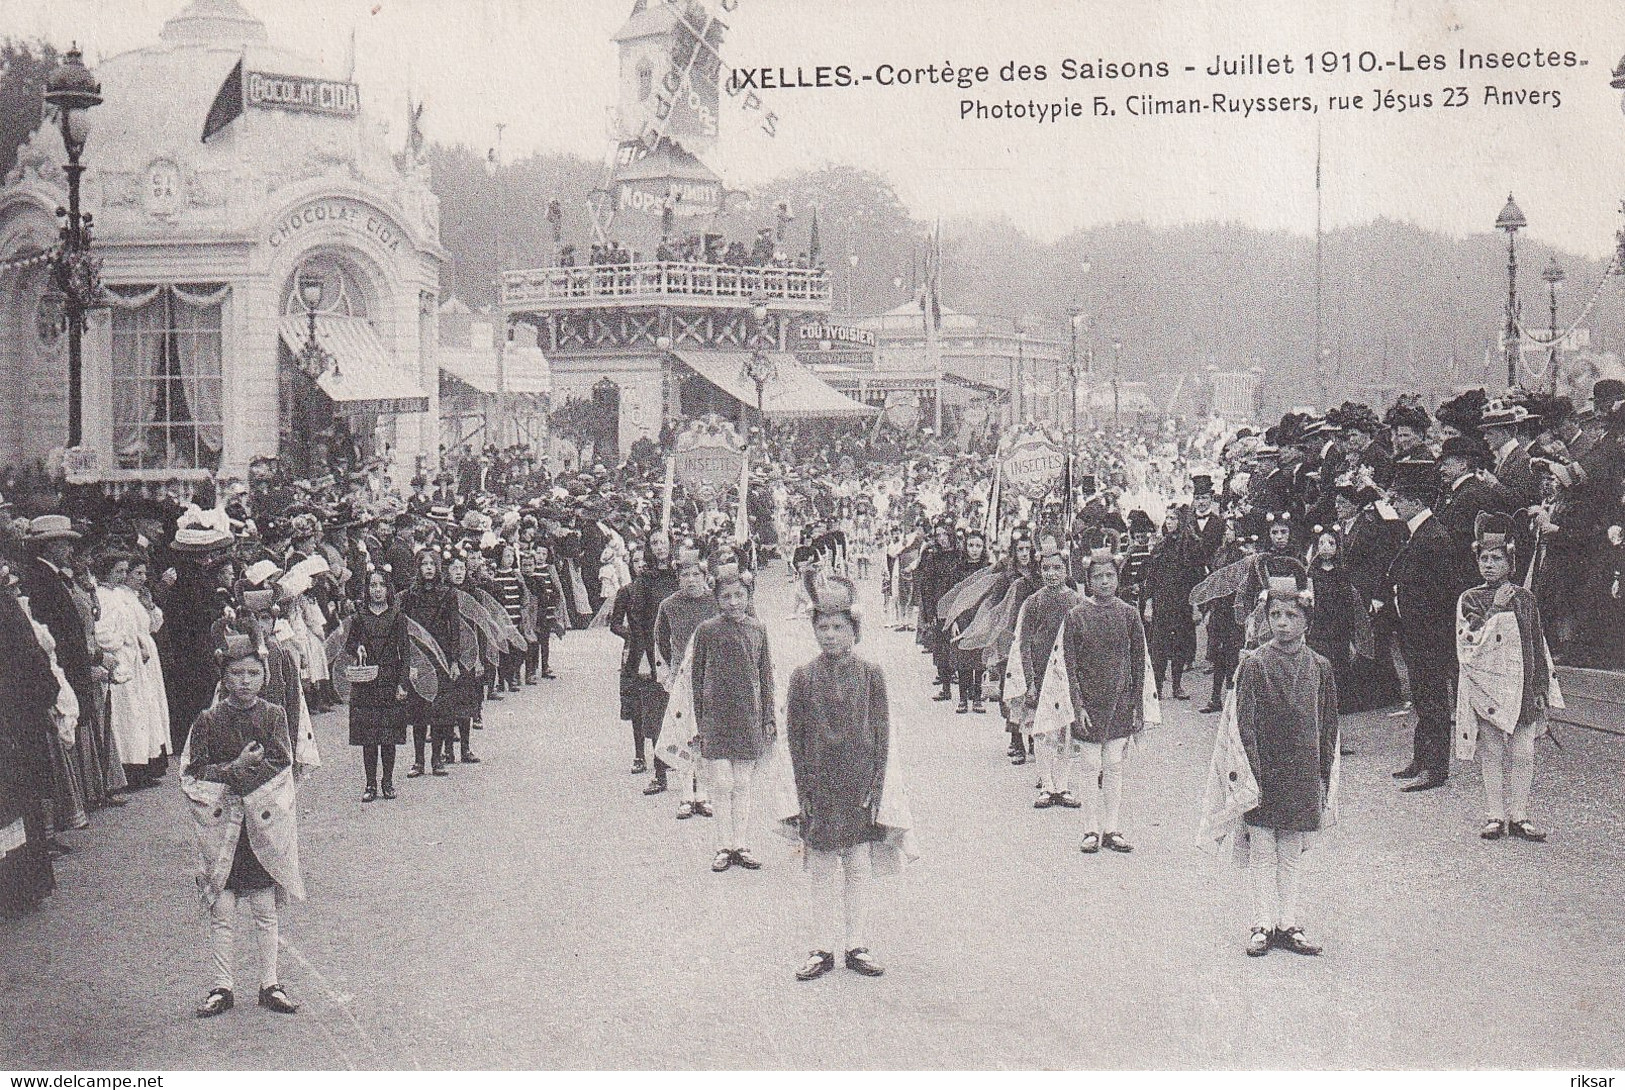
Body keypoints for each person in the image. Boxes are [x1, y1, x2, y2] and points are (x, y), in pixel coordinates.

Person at [181, 637, 303, 1018]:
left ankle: (270, 982)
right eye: (236, 673)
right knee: (223, 906)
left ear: (264, 676)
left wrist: (248, 779)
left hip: (260, 826)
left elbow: (284, 763)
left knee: (265, 906)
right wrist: (233, 769)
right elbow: (194, 771)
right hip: (222, 827)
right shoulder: (208, 720)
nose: (245, 681)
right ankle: (223, 985)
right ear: (224, 677)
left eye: (253, 673)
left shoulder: (273, 715)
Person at [785, 578, 891, 981]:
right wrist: (802, 791)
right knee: (824, 865)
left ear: (854, 631)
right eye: (823, 627)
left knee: (859, 861)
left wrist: (877, 785)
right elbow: (795, 736)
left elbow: (882, 732)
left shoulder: (871, 674)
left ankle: (856, 944)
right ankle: (822, 947)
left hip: (859, 781)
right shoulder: (803, 676)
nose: (830, 635)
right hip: (820, 784)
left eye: (838, 627)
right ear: (813, 630)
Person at [1235, 570, 1339, 958]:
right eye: (1275, 615)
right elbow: (1243, 725)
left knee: (1291, 851)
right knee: (1263, 849)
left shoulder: (1321, 667)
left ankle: (1287, 922)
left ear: (1307, 621)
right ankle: (1262, 921)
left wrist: (1323, 775)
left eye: (1291, 616)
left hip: (1302, 771)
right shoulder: (1255, 665)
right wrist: (1250, 774)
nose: (1282, 623)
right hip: (1265, 770)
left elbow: (1328, 725)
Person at [1454, 514, 1561, 843]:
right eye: (1483, 559)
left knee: (1523, 751)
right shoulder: (1470, 598)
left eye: (1496, 558)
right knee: (1491, 749)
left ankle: (1520, 815)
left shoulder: (1526, 599)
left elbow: (1537, 645)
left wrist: (1541, 687)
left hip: (1523, 686)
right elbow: (1468, 641)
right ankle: (1494, 814)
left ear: (1510, 562)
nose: (1488, 565)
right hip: (1487, 688)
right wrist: (1494, 610)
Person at [1387, 458, 1477, 792]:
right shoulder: (1419, 533)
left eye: (1399, 499)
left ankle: (1436, 768)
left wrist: (1431, 634)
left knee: (1433, 699)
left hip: (1430, 636)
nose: (1394, 504)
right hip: (1416, 633)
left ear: (1415, 501)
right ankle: (1422, 759)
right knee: (1424, 698)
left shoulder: (1434, 537)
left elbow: (1446, 592)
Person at [1060, 548, 1154, 854]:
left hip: (1121, 701)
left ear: (1118, 578)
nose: (1104, 582)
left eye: (1109, 576)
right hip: (1089, 702)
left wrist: (1138, 705)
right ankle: (1090, 829)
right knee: (1089, 764)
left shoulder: (1129, 614)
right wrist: (1078, 705)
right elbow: (1069, 666)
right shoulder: (1076, 617)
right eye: (1097, 577)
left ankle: (1112, 828)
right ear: (1087, 581)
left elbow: (1139, 663)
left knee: (1113, 763)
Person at [687, 572, 776, 872]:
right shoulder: (706, 631)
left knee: (743, 783)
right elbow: (696, 678)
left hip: (748, 715)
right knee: (721, 783)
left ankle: (741, 843)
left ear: (749, 596)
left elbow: (766, 677)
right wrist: (698, 721)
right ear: (717, 599)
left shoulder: (758, 629)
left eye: (739, 595)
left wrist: (769, 718)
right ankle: (723, 845)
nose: (734, 602)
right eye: (727, 596)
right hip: (716, 717)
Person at [1004, 548, 1082, 807]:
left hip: (1067, 673)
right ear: (1040, 570)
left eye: (1057, 568)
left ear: (1065, 570)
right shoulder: (1034, 602)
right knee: (1042, 731)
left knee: (1064, 730)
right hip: (1040, 671)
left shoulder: (1075, 601)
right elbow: (1023, 643)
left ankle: (1063, 784)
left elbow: (1082, 641)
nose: (1051, 574)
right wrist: (1030, 681)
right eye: (1046, 569)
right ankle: (1046, 784)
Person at [653, 560, 719, 818]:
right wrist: (667, 674)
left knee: (704, 733)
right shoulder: (669, 606)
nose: (691, 579)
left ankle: (702, 792)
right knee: (683, 732)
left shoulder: (715, 602)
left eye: (695, 574)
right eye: (685, 575)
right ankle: (685, 795)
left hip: (711, 676)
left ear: (704, 576)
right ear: (678, 578)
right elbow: (660, 641)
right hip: (683, 677)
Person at [345, 569, 409, 802]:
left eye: (381, 585)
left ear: (388, 588)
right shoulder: (360, 617)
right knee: (369, 737)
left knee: (388, 737)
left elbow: (406, 652)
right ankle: (370, 783)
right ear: (367, 589)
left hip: (390, 680)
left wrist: (402, 683)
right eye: (373, 585)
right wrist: (357, 648)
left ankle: (388, 782)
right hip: (367, 683)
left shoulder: (397, 617)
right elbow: (350, 644)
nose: (377, 590)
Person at [400, 550, 463, 778]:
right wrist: (406, 661)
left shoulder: (448, 594)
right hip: (418, 657)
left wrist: (454, 660)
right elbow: (403, 630)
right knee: (419, 711)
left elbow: (455, 629)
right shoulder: (408, 596)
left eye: (432, 564)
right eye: (424, 564)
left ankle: (437, 759)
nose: (428, 568)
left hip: (441, 657)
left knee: (440, 710)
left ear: (438, 568)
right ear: (418, 568)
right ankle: (418, 761)